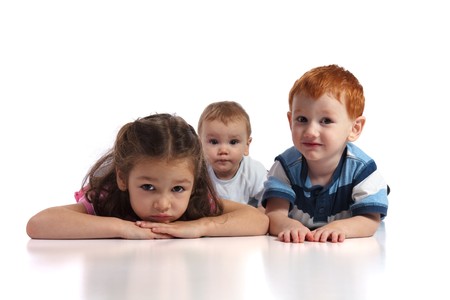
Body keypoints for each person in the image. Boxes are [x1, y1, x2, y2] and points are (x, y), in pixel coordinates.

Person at [26, 113, 269, 239]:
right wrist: (121, 228)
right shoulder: (109, 198)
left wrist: (200, 226)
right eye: (148, 187)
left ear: (193, 181)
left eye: (177, 189)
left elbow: (258, 221)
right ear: (123, 179)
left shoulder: (196, 202)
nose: (163, 204)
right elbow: (38, 224)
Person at [262, 64, 389, 243]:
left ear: (354, 128)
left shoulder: (362, 169)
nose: (311, 131)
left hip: (346, 258)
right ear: (290, 121)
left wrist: (342, 227)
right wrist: (286, 224)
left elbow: (370, 220)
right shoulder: (285, 166)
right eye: (302, 119)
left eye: (326, 121)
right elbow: (274, 213)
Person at [197, 101, 267, 209]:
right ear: (200, 144)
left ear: (246, 146)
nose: (223, 150)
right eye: (214, 142)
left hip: (243, 219)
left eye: (233, 142)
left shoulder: (253, 171)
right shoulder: (199, 170)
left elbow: (270, 200)